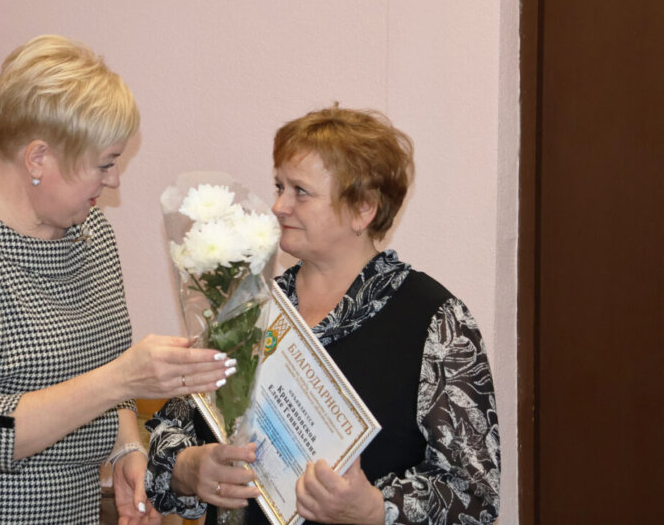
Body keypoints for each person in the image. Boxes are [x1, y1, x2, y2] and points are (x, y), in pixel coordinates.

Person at [0, 35, 238, 524]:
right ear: (38, 158)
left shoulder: (89, 231)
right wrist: (124, 377)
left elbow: (105, 365)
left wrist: (126, 446)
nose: (114, 181)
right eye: (105, 164)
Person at [145, 105, 500, 524]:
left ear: (363, 209)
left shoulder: (435, 322)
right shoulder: (247, 306)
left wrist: (376, 510)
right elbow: (169, 433)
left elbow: (474, 497)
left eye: (301, 191)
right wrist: (188, 469)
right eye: (279, 186)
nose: (279, 206)